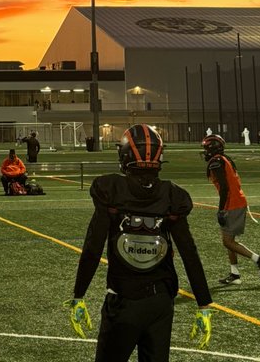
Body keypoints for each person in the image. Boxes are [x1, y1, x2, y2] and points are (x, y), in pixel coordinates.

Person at [68, 124, 213, 359]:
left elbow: (93, 247)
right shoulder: (172, 196)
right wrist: (203, 303)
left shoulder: (111, 190)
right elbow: (189, 251)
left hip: (123, 300)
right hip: (161, 303)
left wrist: (79, 294)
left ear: (124, 155)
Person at [202, 134, 260, 286]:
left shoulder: (216, 162)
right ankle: (235, 274)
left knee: (227, 241)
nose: (205, 151)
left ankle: (258, 259)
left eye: (207, 148)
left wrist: (221, 210)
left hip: (232, 204)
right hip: (236, 201)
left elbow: (225, 188)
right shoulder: (224, 159)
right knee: (229, 240)